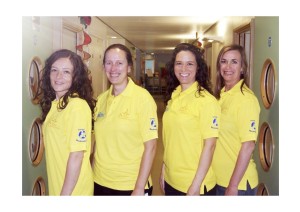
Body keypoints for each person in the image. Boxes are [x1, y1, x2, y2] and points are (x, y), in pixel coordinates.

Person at [92, 43, 158, 196]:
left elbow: (151, 147)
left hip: (130, 183)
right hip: (100, 181)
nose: (113, 68)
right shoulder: (101, 100)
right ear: (104, 67)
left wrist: (139, 187)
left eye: (119, 63)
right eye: (109, 63)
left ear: (129, 67)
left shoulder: (143, 99)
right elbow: (98, 143)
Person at [160, 43, 220, 195]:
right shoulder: (174, 95)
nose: (183, 69)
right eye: (179, 64)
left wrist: (196, 185)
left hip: (193, 184)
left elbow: (210, 146)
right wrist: (163, 170)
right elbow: (171, 139)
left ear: (198, 67)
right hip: (171, 179)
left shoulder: (206, 101)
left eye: (189, 64)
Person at [39, 49, 96, 195]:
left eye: (66, 72)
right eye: (54, 70)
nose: (58, 76)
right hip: (58, 185)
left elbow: (77, 155)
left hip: (73, 191)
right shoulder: (55, 105)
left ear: (75, 77)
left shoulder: (77, 107)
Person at [212, 44, 260, 195]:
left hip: (237, 184)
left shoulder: (246, 99)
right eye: (223, 61)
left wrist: (232, 186)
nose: (228, 66)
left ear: (242, 68)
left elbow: (248, 146)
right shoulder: (221, 96)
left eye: (234, 61)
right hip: (218, 179)